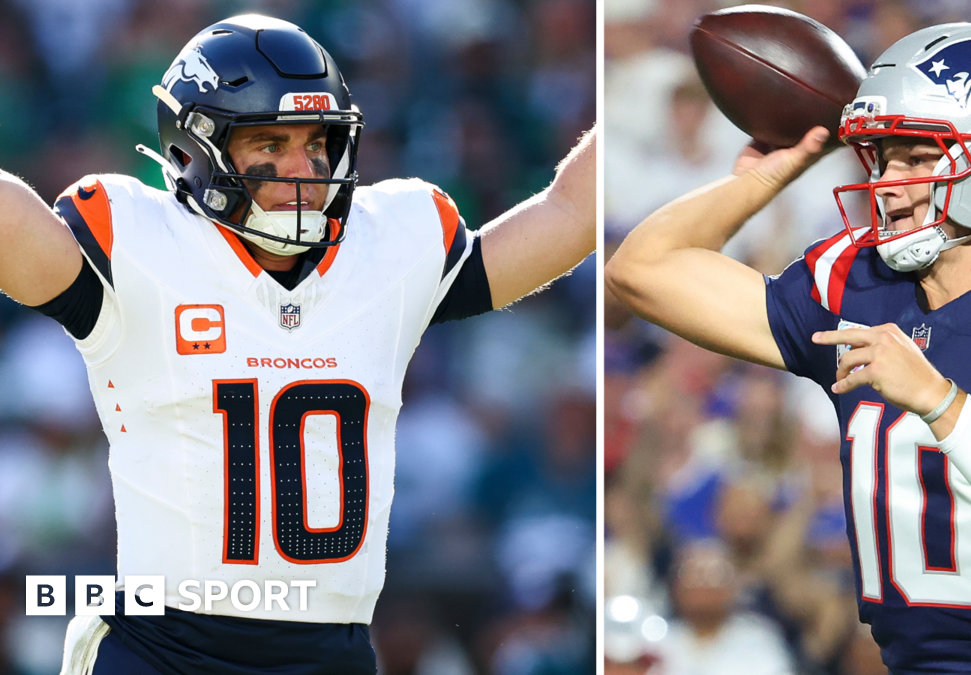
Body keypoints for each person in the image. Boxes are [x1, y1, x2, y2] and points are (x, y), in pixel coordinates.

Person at [0, 14, 594, 675]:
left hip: (328, 654)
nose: (303, 168)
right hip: (162, 651)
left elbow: (568, 215)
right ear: (194, 148)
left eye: (317, 142)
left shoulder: (389, 245)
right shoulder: (137, 242)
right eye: (270, 144)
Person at [607, 22, 971, 675]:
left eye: (917, 157)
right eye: (881, 158)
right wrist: (762, 180)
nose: (890, 182)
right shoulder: (859, 285)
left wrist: (939, 399)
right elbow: (640, 271)